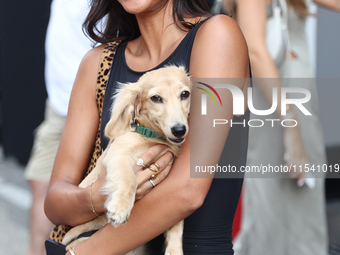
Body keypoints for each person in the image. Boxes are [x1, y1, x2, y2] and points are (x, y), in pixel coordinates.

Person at [44, 0, 251, 254]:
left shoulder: (218, 35)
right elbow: (55, 203)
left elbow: (187, 191)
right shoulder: (98, 64)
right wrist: (100, 195)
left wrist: (83, 253)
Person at [219, 0, 340, 254]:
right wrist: (291, 123)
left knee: (297, 212)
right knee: (272, 216)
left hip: (294, 107)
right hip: (278, 111)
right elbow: (255, 50)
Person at [25, 1, 93, 254]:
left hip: (97, 106)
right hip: (60, 104)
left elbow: (191, 193)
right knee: (45, 188)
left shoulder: (216, 32)